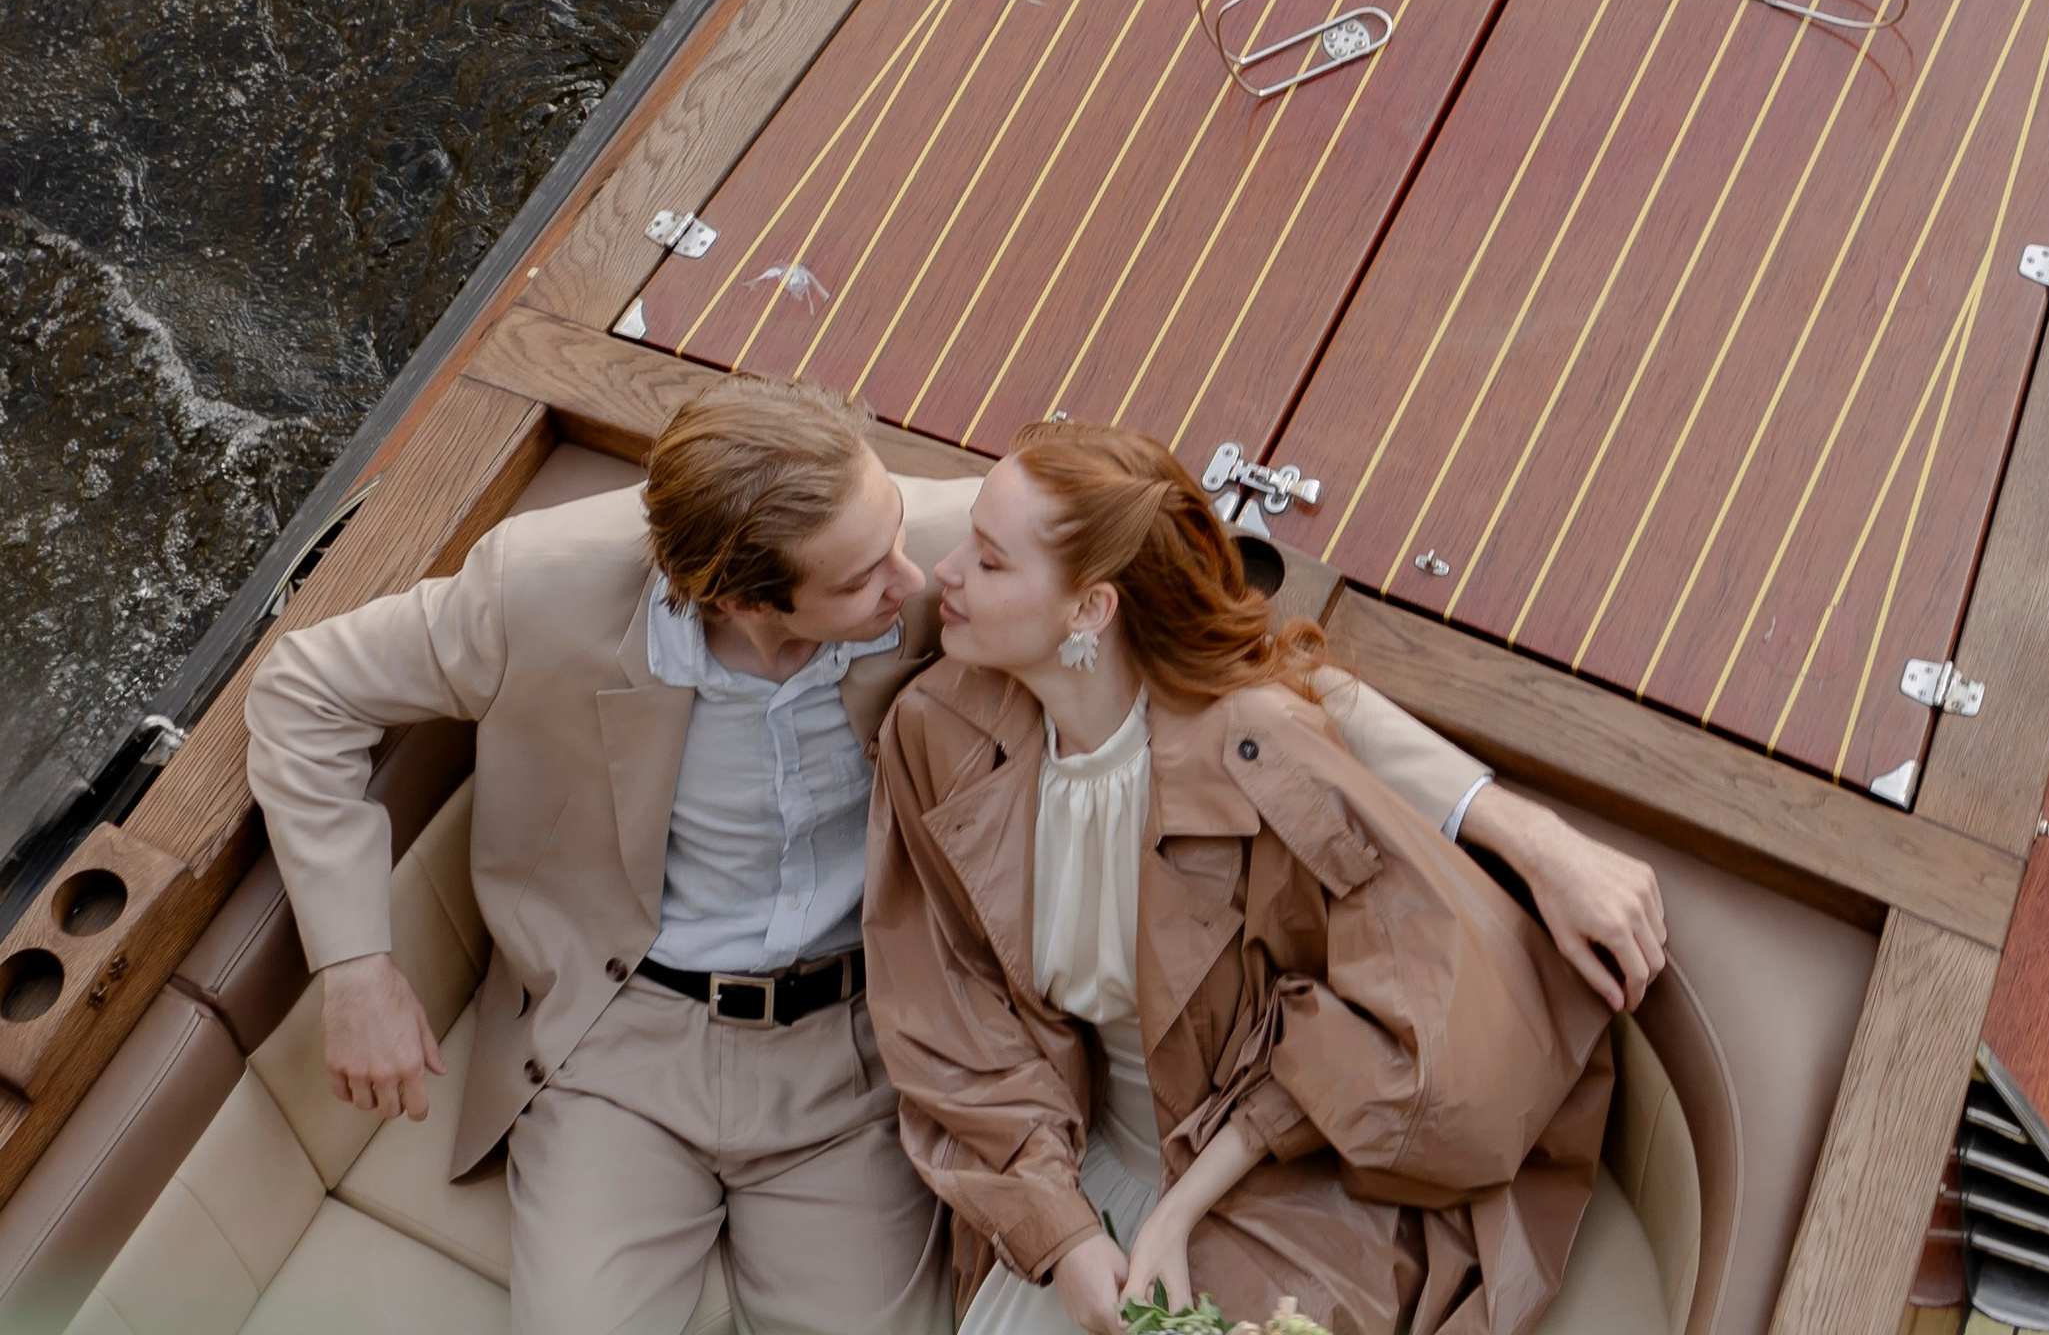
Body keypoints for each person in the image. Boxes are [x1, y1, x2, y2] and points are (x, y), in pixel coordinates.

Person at [245, 387, 1662, 1335]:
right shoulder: (541, 589)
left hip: (864, 1044)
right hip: (618, 1039)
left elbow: (1254, 682)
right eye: (868, 582)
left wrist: (1526, 833)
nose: (917, 586)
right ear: (746, 599)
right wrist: (356, 966)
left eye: (916, 548)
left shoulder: (934, 552)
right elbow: (301, 693)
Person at [866, 421, 1620, 1335]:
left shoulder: (1261, 753)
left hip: (1278, 1172)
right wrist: (1062, 1233)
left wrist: (1177, 1214)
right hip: (1066, 1160)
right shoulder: (935, 732)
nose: (943, 573)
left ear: (1090, 610)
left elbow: (1388, 1020)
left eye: (988, 561)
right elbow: (953, 1020)